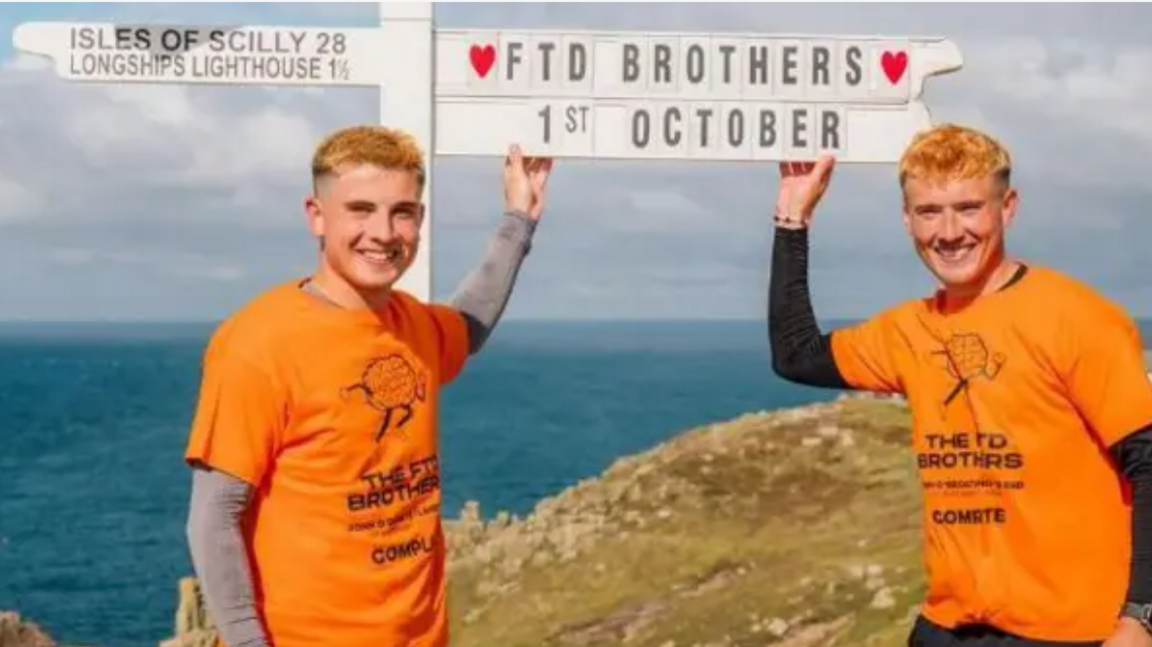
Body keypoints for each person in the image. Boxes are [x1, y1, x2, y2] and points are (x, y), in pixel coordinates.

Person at [767, 123, 1152, 647]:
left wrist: (1140, 617)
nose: (949, 232)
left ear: (1007, 208)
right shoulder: (910, 329)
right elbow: (797, 356)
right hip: (949, 628)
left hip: (1073, 634)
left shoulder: (1076, 318)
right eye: (929, 212)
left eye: (969, 208)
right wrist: (793, 216)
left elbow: (1148, 461)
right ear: (907, 220)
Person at [182, 125, 554, 647]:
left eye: (401, 212)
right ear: (316, 215)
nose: (382, 232)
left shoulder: (414, 327)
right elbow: (214, 516)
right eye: (360, 209)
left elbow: (468, 325)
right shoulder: (258, 343)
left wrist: (519, 221)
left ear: (420, 221)